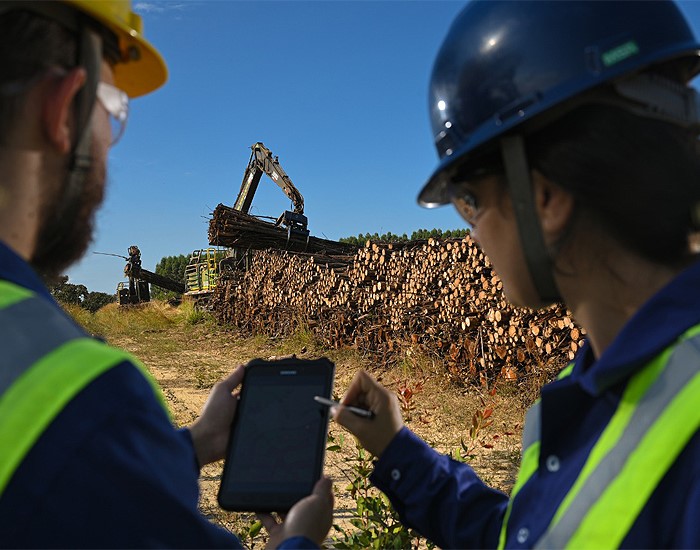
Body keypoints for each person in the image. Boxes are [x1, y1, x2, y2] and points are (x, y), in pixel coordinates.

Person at [334, 1, 700, 548]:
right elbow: (527, 536)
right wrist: (394, 445)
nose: (473, 235)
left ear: (544, 197)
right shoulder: (585, 386)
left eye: (469, 201)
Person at [0, 2, 332, 547]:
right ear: (63, 113)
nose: (111, 137)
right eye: (111, 109)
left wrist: (194, 444)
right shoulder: (85, 399)